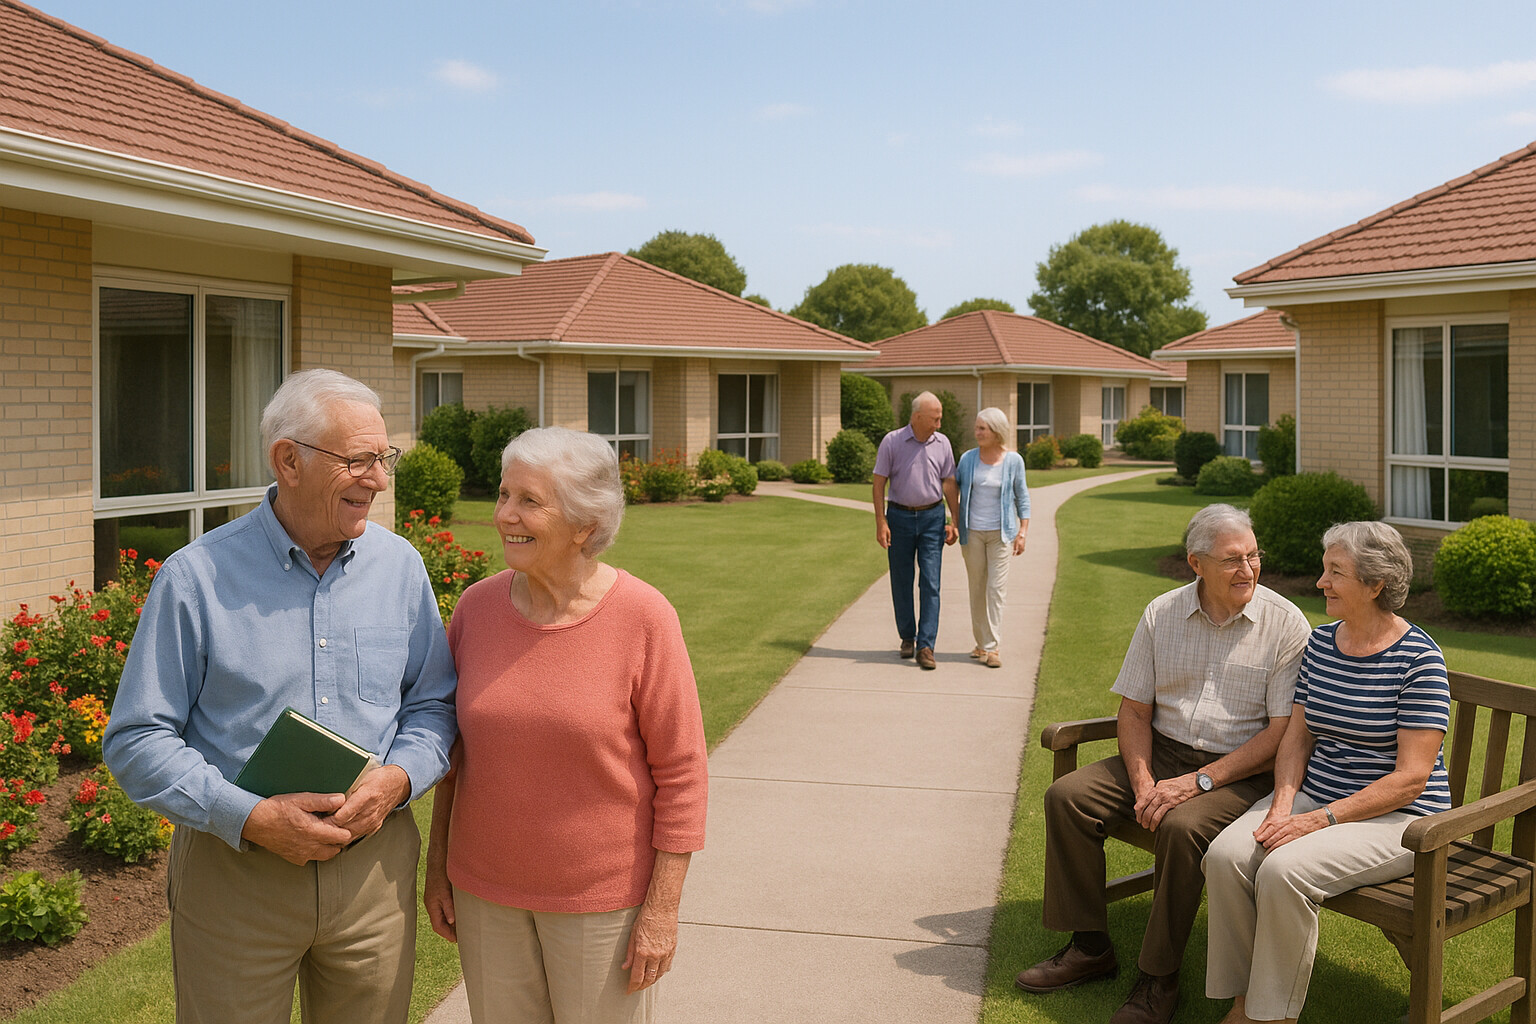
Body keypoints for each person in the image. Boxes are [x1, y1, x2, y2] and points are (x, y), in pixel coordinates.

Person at [102, 369, 457, 1024]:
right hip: (236, 877)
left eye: (384, 458)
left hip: (373, 877)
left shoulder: (400, 567)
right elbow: (137, 739)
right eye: (358, 460)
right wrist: (252, 817)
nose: (378, 480)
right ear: (288, 461)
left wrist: (400, 779)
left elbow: (433, 704)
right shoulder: (195, 577)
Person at [424, 426, 708, 1024]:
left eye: (529, 500)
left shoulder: (644, 617)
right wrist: (439, 868)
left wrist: (662, 910)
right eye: (503, 495)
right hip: (485, 894)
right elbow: (453, 756)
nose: (505, 515)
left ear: (584, 524)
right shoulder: (476, 609)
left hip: (601, 905)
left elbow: (683, 775)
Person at [1016, 503, 1311, 1024]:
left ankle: (1158, 978)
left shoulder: (1286, 624)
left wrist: (1199, 781)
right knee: (1067, 798)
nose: (1248, 569)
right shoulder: (1161, 613)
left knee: (1180, 827)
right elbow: (1134, 710)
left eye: (1253, 556)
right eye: (1232, 560)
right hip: (1164, 753)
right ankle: (1090, 948)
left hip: (1241, 772)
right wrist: (1143, 781)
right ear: (1196, 563)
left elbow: (1280, 733)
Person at [1203, 522, 1449, 1024]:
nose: (1321, 582)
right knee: (1226, 856)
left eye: (1336, 572)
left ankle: (1273, 1017)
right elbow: (1297, 738)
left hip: (1400, 820)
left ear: (1376, 584)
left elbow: (1411, 778)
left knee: (1283, 872)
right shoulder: (1320, 643)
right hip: (1316, 798)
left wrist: (1317, 821)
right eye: (1324, 569)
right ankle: (1243, 1002)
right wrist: (1282, 807)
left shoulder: (1420, 660)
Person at [871, 391, 960, 670]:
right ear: (917, 416)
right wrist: (881, 521)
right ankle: (907, 636)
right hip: (899, 517)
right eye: (935, 418)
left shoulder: (943, 443)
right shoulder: (892, 441)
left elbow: (949, 483)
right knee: (901, 579)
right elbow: (878, 482)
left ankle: (926, 646)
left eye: (940, 418)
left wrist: (955, 521)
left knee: (931, 581)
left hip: (933, 518)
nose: (939, 424)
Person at [955, 407, 1030, 669]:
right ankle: (981, 643)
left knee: (996, 590)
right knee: (977, 588)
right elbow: (953, 488)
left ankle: (993, 647)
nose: (977, 432)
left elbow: (1022, 496)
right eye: (976, 427)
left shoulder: (1014, 461)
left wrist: (1022, 532)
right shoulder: (967, 459)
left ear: (996, 431)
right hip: (973, 533)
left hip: (1001, 534)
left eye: (982, 428)